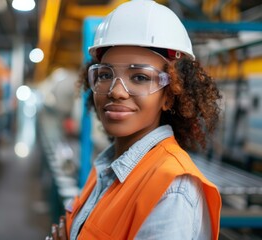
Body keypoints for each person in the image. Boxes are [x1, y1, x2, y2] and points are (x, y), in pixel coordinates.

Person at [47, 0, 222, 239]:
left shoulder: (171, 191)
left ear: (169, 96)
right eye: (105, 74)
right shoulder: (108, 167)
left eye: (139, 77)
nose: (116, 91)